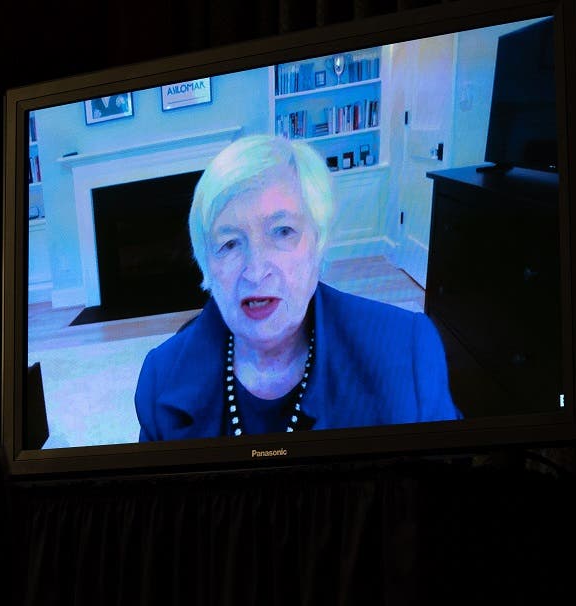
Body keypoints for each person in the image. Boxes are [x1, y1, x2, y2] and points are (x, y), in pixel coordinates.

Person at [134, 134, 460, 442]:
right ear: (207, 264)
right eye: (230, 243)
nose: (256, 271)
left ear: (318, 242)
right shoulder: (161, 378)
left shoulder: (406, 352)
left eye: (282, 231)